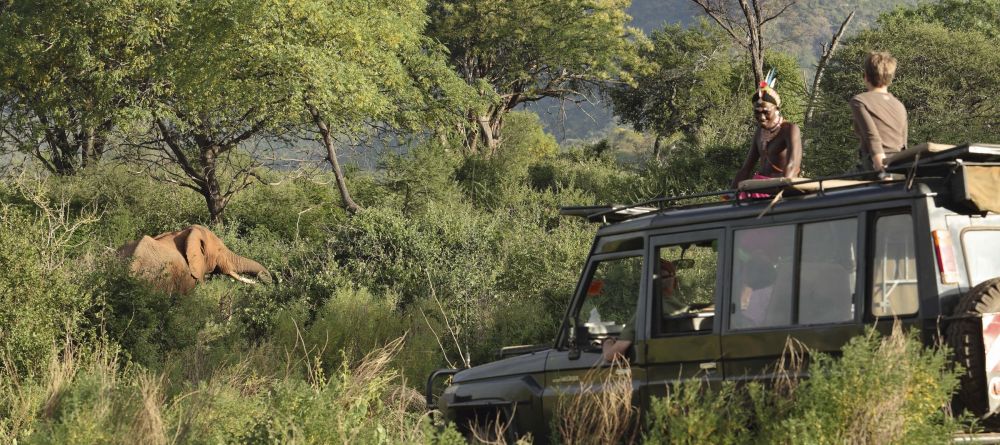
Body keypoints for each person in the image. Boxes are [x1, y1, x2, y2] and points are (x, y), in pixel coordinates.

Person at [732, 71, 803, 195]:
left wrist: (783, 190)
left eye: (766, 112)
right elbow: (746, 168)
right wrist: (729, 195)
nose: (762, 117)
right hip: (759, 188)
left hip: (780, 189)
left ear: (777, 110)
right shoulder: (759, 132)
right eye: (757, 112)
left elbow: (792, 165)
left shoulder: (790, 129)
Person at [850, 51, 907, 179]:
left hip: (876, 166)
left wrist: (883, 171)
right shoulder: (899, 105)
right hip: (900, 167)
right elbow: (903, 144)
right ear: (890, 79)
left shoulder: (860, 101)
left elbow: (872, 137)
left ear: (865, 76)